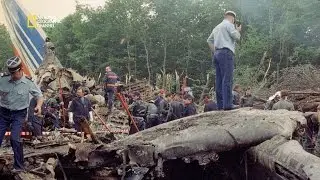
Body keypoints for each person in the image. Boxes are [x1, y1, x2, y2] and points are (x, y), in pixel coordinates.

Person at [0, 56, 43, 171]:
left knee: (14, 138)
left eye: (15, 73)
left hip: (18, 114)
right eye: (11, 73)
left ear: (21, 69)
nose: (13, 76)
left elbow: (39, 96)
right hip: (3, 113)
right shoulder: (2, 80)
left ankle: (19, 166)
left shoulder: (28, 82)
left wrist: (38, 106)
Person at [207, 11, 241, 110]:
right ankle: (228, 105)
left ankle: (220, 105)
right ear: (232, 18)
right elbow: (237, 37)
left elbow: (209, 40)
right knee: (227, 79)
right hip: (226, 53)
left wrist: (216, 51)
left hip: (217, 54)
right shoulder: (229, 25)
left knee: (219, 80)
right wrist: (238, 30)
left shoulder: (217, 27)